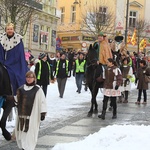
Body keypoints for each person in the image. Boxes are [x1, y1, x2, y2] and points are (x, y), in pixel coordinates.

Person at [14, 71, 47, 150]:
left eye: (31, 77)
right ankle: (23, 147)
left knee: (31, 134)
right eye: (27, 77)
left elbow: (42, 101)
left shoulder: (38, 90)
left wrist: (42, 113)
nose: (29, 79)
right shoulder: (21, 89)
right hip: (22, 115)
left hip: (33, 116)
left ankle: (29, 148)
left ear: (34, 78)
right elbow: (16, 101)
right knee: (22, 133)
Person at [0, 23, 28, 95]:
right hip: (4, 61)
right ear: (6, 30)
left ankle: (17, 93)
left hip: (16, 63)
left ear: (13, 30)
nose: (9, 31)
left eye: (11, 29)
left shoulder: (18, 40)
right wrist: (2, 62)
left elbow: (19, 54)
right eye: (8, 29)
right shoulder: (1, 39)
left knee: (18, 76)